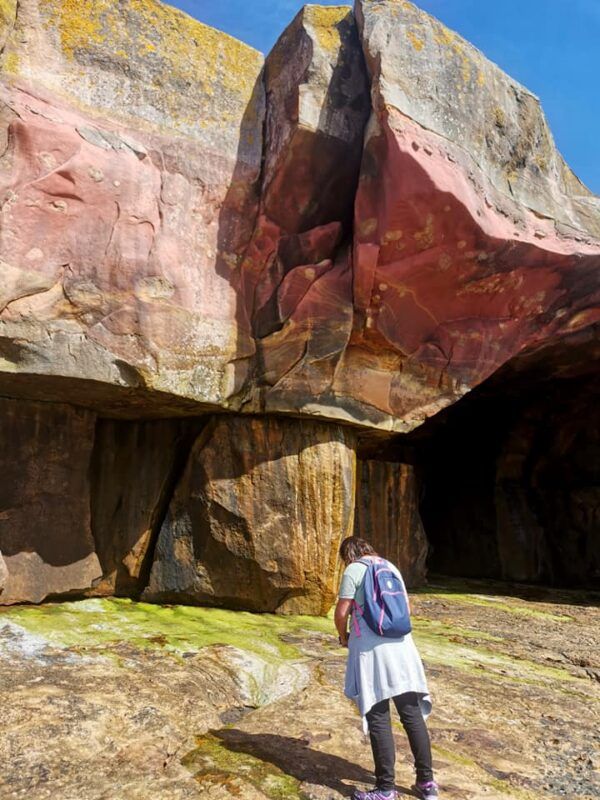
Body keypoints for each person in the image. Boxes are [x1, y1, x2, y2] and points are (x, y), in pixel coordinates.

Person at [334, 536, 439, 800]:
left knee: (378, 716)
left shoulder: (355, 569)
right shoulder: (390, 567)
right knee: (411, 714)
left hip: (373, 653)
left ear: (348, 554)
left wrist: (344, 636)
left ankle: (385, 789)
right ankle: (427, 783)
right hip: (403, 649)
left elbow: (342, 611)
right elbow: (406, 609)